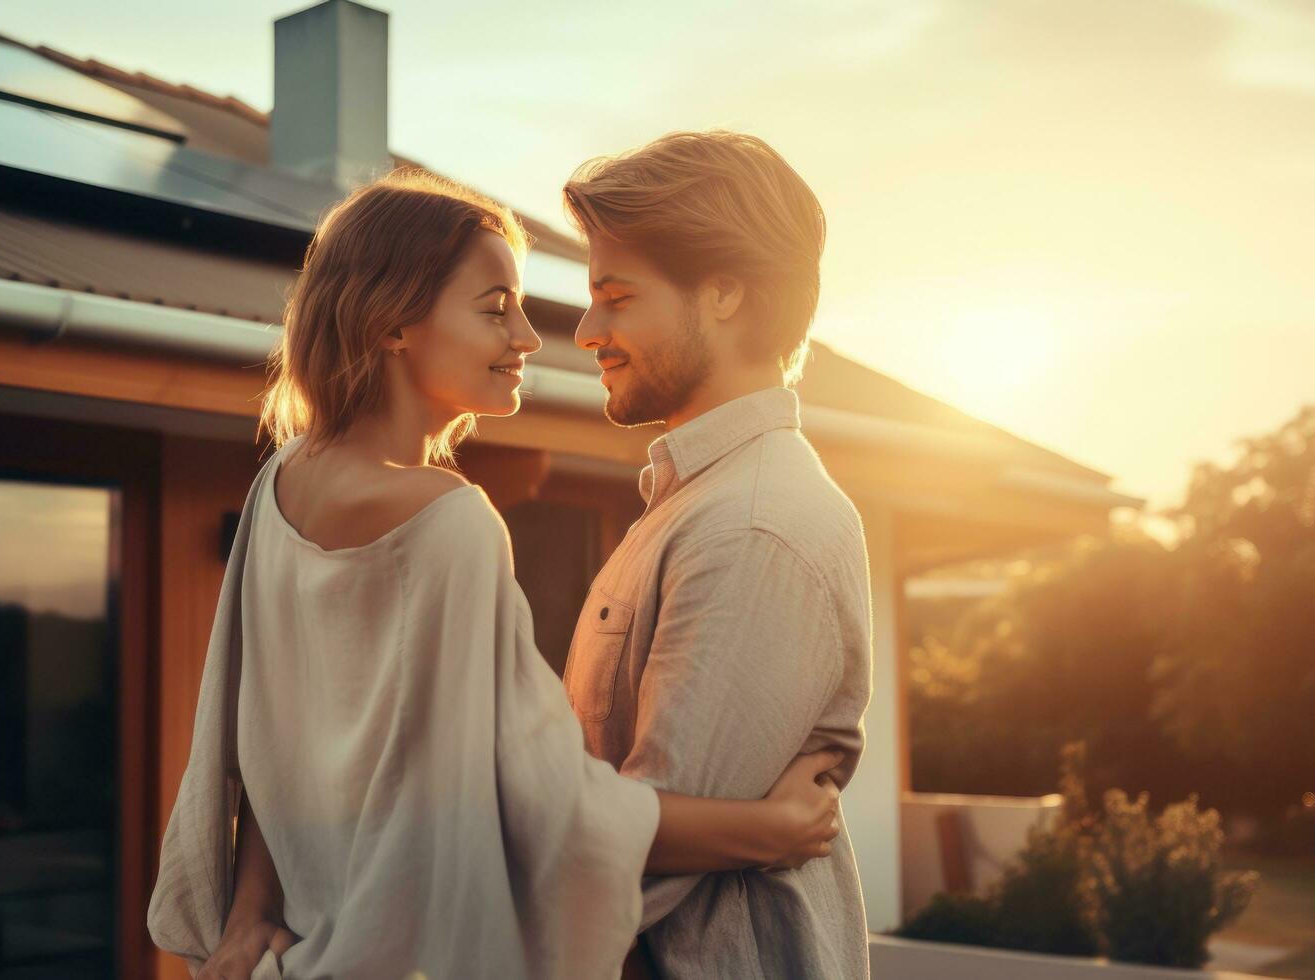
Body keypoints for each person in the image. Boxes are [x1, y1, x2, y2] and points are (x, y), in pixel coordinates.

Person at [146, 169, 844, 980]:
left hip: (292, 953)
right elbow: (544, 805)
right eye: (493, 309)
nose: (528, 337)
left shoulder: (280, 483)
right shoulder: (450, 521)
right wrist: (773, 831)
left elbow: (270, 739)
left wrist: (249, 910)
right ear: (392, 323)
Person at [561, 131, 874, 979]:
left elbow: (640, 852)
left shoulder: (751, 527)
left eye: (616, 296)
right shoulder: (693, 506)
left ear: (725, 293)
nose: (588, 330)